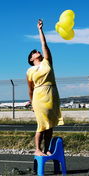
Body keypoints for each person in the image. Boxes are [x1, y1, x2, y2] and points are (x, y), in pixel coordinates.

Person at [26, 19, 64, 156]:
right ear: (31, 59)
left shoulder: (47, 63)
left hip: (51, 95)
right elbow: (30, 89)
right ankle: (37, 149)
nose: (37, 52)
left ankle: (47, 149)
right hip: (39, 97)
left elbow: (44, 44)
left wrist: (40, 30)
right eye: (34, 52)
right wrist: (31, 103)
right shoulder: (29, 71)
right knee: (42, 125)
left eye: (37, 51)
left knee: (50, 125)